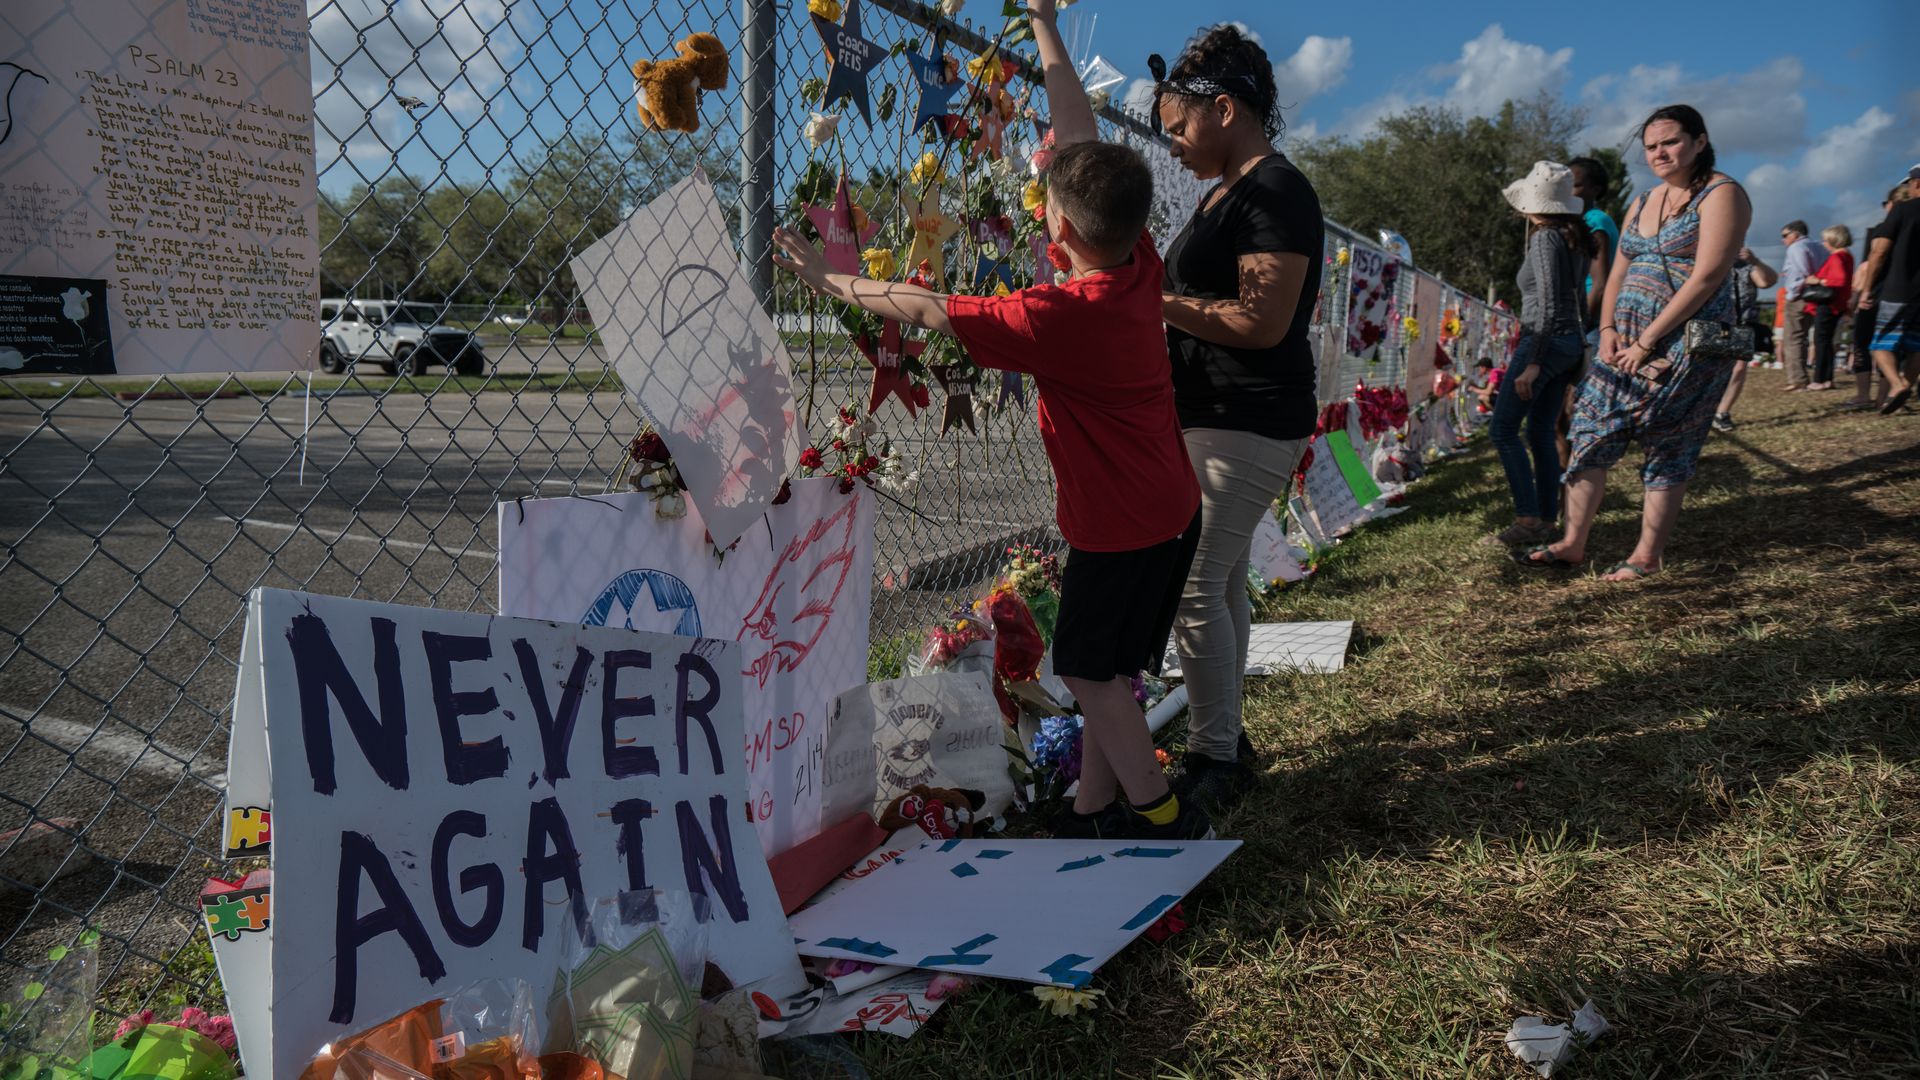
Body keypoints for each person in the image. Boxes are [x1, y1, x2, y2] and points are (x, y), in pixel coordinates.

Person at [774, 0, 1212, 841]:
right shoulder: (1133, 261)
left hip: (1120, 527)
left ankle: (1161, 815)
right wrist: (1046, 24)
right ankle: (1092, 807)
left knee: (1085, 670)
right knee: (1111, 671)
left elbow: (931, 306)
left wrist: (834, 282)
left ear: (1058, 223)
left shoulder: (1055, 315)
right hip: (1169, 510)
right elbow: (1077, 136)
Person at [1152, 23, 1322, 807]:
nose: (1176, 145)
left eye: (1180, 127)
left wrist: (1154, 304)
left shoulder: (1274, 190)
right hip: (1219, 414)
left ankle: (1214, 762)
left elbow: (1261, 323)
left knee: (1192, 585)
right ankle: (1225, 738)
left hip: (1248, 417)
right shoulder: (1229, 191)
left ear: (1224, 109)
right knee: (1216, 585)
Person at [1516, 104, 1751, 582]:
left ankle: (1645, 556)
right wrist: (1604, 332)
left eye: (1670, 141)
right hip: (1619, 344)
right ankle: (1571, 543)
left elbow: (1707, 275)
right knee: (1588, 430)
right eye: (1650, 146)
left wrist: (1647, 339)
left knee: (1670, 442)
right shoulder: (1643, 202)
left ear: (1699, 141)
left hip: (1688, 345)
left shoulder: (1722, 194)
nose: (1659, 153)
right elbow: (1617, 274)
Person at [1486, 161, 1588, 546]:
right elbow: (1576, 299)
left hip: (1544, 340)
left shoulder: (1545, 238)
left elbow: (1545, 304)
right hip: (1568, 343)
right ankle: (1546, 517)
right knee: (1541, 430)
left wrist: (1532, 363)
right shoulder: (1574, 237)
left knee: (1503, 429)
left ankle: (1527, 519)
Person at [1842, 183, 1910, 410]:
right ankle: (1885, 396)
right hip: (1908, 294)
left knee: (1866, 343)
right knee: (1897, 347)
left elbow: (1873, 261)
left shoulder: (1884, 228)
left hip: (1880, 293)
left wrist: (1861, 291)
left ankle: (1864, 394)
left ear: (1892, 204)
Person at [1858, 164, 1920, 414]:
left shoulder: (1903, 210)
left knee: (1881, 343)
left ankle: (1896, 384)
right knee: (1917, 345)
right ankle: (1906, 383)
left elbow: (1880, 250)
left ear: (1916, 183)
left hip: (1900, 288)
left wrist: (1867, 288)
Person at [1711, 246, 1778, 430]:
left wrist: (1755, 261)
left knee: (1739, 367)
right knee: (1710, 368)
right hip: (1714, 323)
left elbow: (1767, 281)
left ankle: (1722, 413)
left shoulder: (1746, 266)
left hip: (1742, 324)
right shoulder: (1710, 262)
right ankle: (1703, 409)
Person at [1778, 220, 1827, 390]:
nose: (1783, 240)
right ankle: (1816, 376)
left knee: (1793, 338)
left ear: (1795, 234)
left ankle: (1797, 379)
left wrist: (1792, 294)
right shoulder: (1820, 246)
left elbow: (1803, 271)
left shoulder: (1796, 248)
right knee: (1809, 337)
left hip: (1799, 295)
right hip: (1817, 295)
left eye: (1785, 235)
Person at [1804, 225, 1854, 390]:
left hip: (1828, 304)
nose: (1824, 243)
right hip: (1839, 304)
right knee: (1827, 341)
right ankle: (1827, 378)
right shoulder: (1848, 257)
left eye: (1825, 240)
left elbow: (1838, 280)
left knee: (1821, 341)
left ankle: (1820, 379)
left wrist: (1817, 281)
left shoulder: (1836, 258)